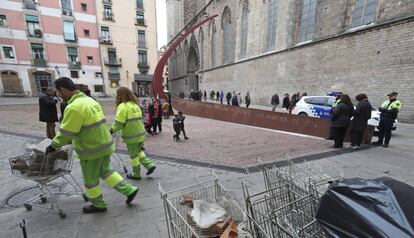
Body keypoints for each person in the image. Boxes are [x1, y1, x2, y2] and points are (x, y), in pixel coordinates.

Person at [46, 77, 138, 214]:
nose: (58, 96)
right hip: (105, 145)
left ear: (63, 89)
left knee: (90, 180)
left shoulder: (74, 107)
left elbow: (66, 132)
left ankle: (98, 204)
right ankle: (129, 190)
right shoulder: (90, 101)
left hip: (91, 149)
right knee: (106, 171)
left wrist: (53, 146)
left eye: (58, 93)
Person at [110, 87, 156, 180]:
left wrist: (111, 130)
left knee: (133, 155)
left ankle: (136, 174)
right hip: (140, 134)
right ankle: (149, 165)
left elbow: (118, 124)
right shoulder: (135, 105)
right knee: (138, 151)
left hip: (131, 136)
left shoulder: (122, 106)